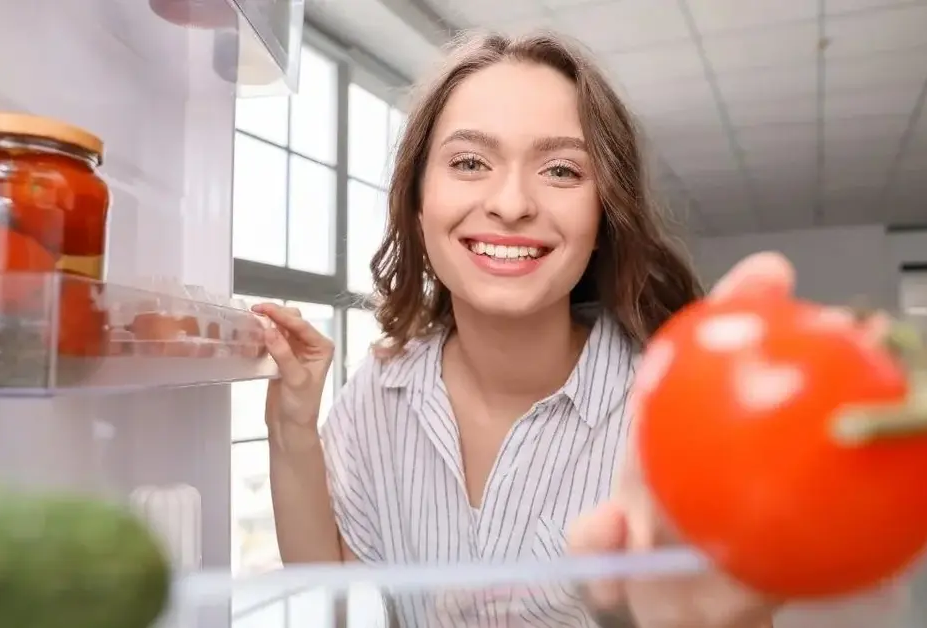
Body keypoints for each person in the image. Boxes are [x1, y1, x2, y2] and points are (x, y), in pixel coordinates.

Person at [255, 29, 780, 627]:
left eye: (560, 170)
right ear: (418, 199)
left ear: (605, 212)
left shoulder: (673, 410)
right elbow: (336, 588)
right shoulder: (381, 389)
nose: (511, 204)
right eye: (470, 162)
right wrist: (293, 428)